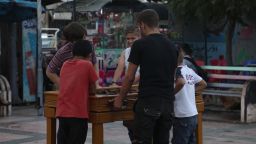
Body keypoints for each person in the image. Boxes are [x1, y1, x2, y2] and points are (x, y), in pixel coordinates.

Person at [114, 9, 178, 144]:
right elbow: (171, 75)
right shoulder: (172, 46)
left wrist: (120, 98)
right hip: (168, 104)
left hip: (148, 102)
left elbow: (129, 76)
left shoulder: (140, 44)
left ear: (142, 25)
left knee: (142, 140)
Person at [56, 40, 98, 144]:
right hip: (78, 114)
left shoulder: (65, 64)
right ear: (89, 54)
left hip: (62, 112)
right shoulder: (87, 65)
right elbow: (93, 89)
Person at [111, 26, 140, 143]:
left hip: (139, 88)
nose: (130, 41)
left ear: (139, 37)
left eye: (133, 38)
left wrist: (131, 83)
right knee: (128, 119)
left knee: (138, 121)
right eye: (128, 39)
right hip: (130, 87)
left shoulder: (143, 49)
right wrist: (114, 82)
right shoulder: (126, 52)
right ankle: (134, 139)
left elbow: (144, 72)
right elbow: (120, 67)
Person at [172, 48, 207, 144]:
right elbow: (203, 84)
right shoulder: (189, 70)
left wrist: (171, 95)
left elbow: (180, 83)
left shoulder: (176, 71)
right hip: (193, 114)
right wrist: (191, 93)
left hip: (182, 115)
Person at [46, 22, 97, 87]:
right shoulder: (63, 52)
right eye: (83, 38)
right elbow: (49, 71)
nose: (85, 39)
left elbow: (94, 63)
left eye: (85, 37)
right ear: (72, 40)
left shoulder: (89, 46)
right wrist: (63, 85)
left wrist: (96, 84)